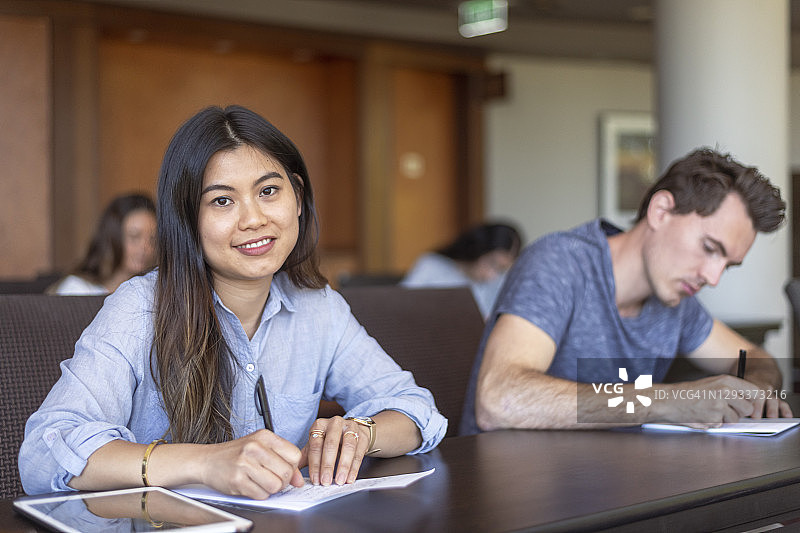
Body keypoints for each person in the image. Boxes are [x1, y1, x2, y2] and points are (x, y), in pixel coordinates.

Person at [20, 105, 446, 498]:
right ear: (188, 219)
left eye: (268, 191)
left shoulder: (319, 308)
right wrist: (204, 463)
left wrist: (361, 432)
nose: (253, 219)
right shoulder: (140, 309)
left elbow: (415, 409)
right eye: (222, 200)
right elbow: (43, 452)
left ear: (297, 197)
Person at [461, 148, 793, 434]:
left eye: (728, 265)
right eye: (709, 247)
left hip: (610, 484)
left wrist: (756, 392)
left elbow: (755, 358)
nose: (713, 276)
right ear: (660, 211)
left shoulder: (676, 300)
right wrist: (668, 400)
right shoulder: (561, 262)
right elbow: (499, 400)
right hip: (514, 490)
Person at [401, 222, 522, 318]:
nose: (491, 275)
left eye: (501, 270)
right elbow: (401, 303)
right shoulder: (431, 265)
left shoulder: (497, 282)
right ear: (478, 249)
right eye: (492, 263)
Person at [49, 193, 157, 295]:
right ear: (112, 238)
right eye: (134, 236)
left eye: (152, 239)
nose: (145, 247)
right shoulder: (78, 289)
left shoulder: (153, 293)